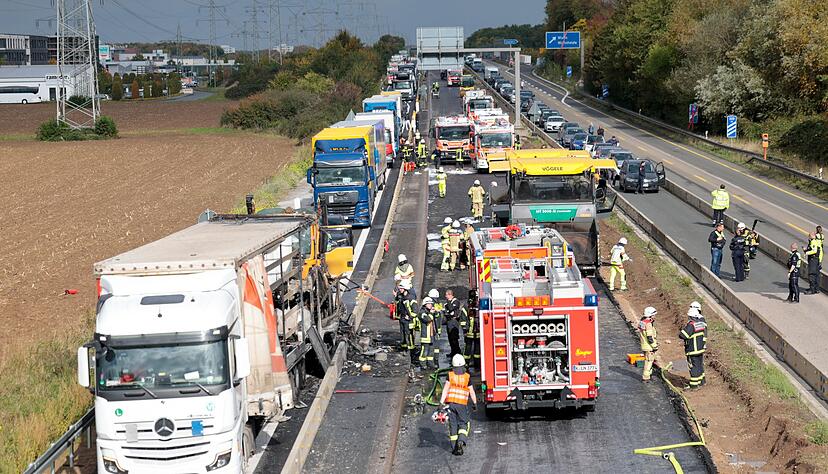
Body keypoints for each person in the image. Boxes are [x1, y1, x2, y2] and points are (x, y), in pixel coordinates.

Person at [440, 354, 477, 456]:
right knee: (463, 423)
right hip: (461, 405)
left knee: (453, 425)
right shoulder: (467, 377)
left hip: (451, 404)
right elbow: (472, 391)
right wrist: (475, 403)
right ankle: (461, 441)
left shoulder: (450, 375)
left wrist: (441, 403)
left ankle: (454, 448)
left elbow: (445, 389)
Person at [680, 305, 707, 389]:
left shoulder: (691, 325)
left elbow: (683, 335)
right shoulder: (701, 324)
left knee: (693, 366)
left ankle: (694, 385)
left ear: (691, 316)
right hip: (700, 349)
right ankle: (701, 381)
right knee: (699, 365)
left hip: (692, 349)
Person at [395, 287, 418, 359]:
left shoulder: (410, 298)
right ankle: (404, 347)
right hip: (402, 317)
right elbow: (398, 305)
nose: (400, 290)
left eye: (401, 288)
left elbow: (415, 311)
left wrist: (410, 317)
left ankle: (411, 349)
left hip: (408, 320)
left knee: (409, 334)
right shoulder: (400, 296)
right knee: (402, 333)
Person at [638, 306, 658, 382]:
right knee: (649, 362)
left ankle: (648, 375)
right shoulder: (648, 324)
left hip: (644, 345)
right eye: (654, 315)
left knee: (648, 360)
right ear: (650, 315)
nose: (655, 316)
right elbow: (649, 337)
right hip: (649, 347)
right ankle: (646, 377)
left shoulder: (642, 322)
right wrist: (654, 346)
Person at [462, 290, 480, 369]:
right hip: (476, 331)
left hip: (471, 331)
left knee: (469, 348)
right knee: (475, 348)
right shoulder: (478, 305)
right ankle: (476, 364)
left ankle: (467, 364)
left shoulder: (466, 305)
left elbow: (463, 319)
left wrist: (465, 330)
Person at [418, 296, 436, 370]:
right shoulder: (422, 313)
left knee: (431, 351)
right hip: (425, 336)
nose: (430, 305)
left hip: (431, 335)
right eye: (429, 304)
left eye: (431, 304)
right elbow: (427, 319)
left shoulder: (428, 312)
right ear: (425, 304)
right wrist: (431, 314)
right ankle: (422, 364)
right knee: (424, 351)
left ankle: (430, 363)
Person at [444, 290, 463, 359]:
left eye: (446, 295)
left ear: (450, 295)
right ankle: (453, 352)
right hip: (449, 321)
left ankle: (457, 352)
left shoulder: (456, 301)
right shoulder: (447, 303)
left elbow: (451, 308)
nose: (445, 296)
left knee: (454, 338)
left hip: (454, 321)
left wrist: (449, 301)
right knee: (450, 338)